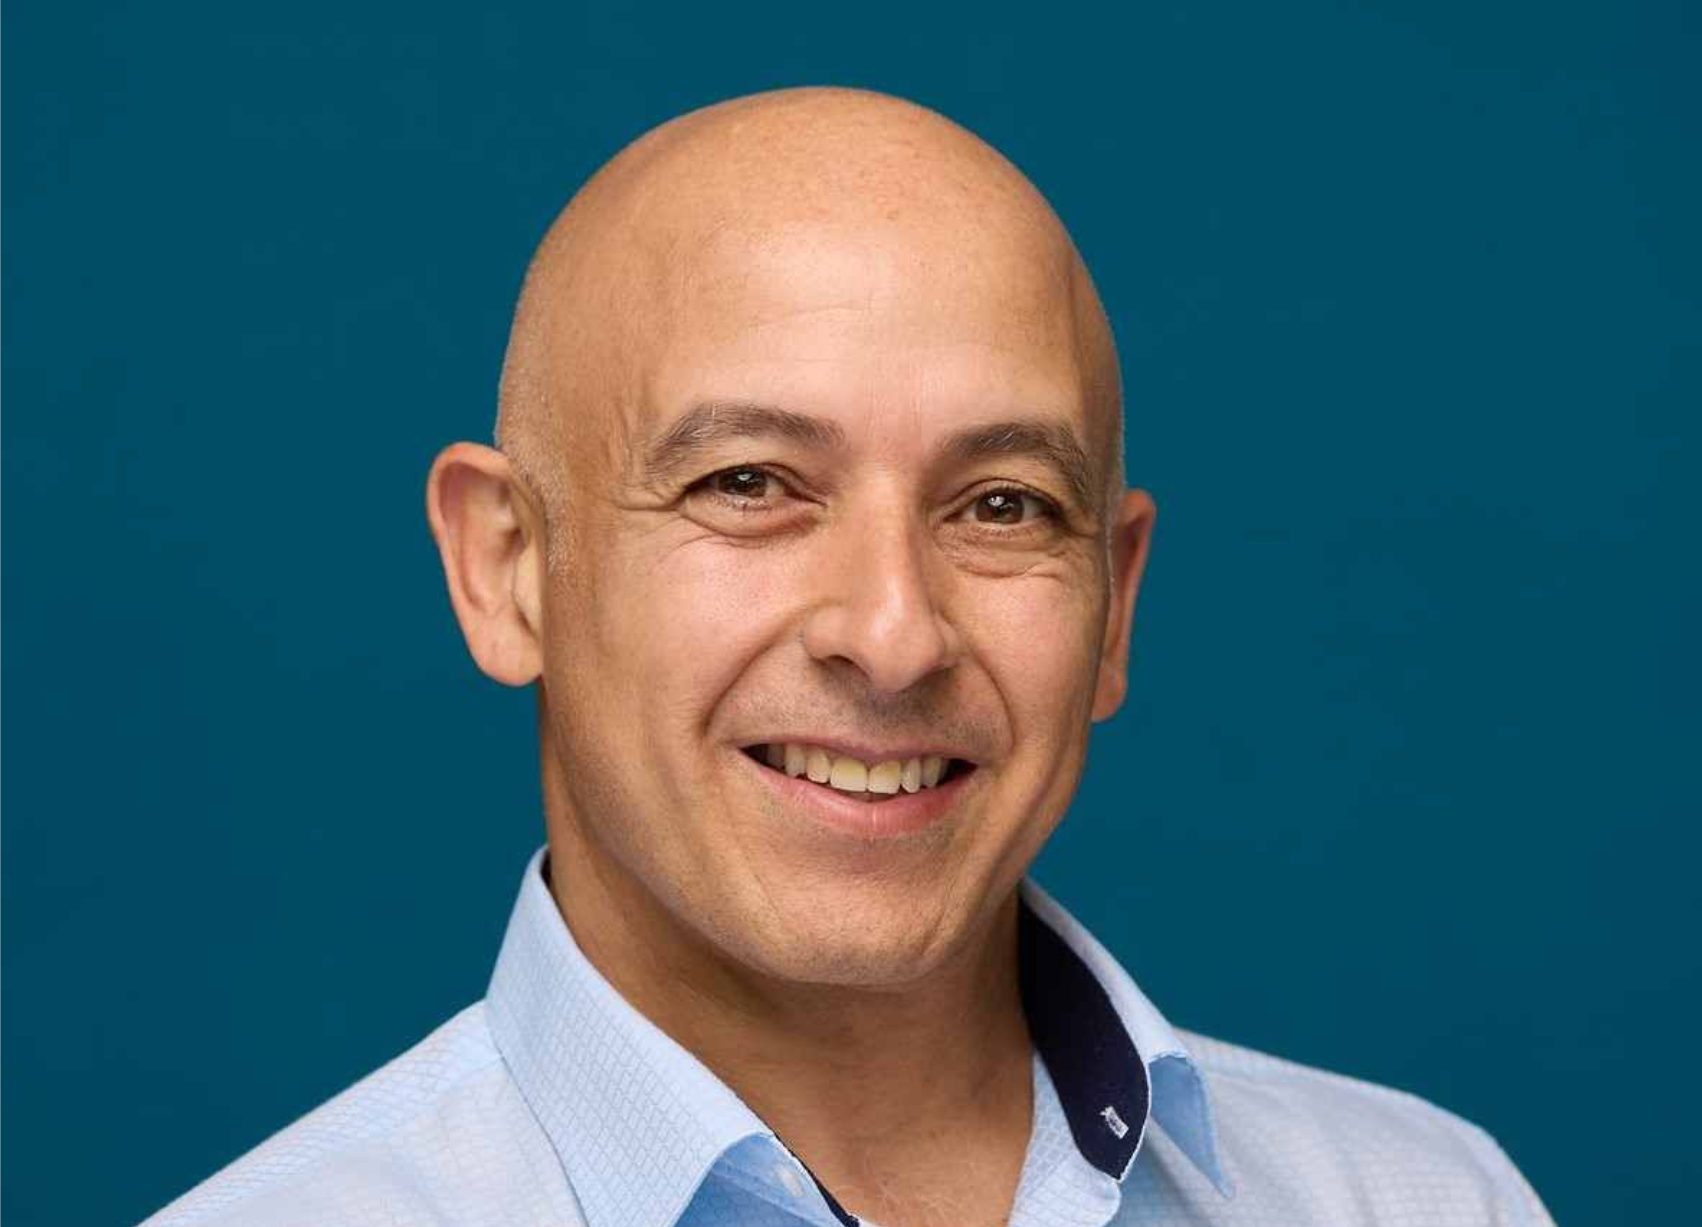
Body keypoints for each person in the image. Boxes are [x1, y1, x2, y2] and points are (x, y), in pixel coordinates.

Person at [140, 86, 1554, 1227]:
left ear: (1114, 606)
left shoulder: (1429, 1201)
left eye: (1001, 506)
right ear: (506, 567)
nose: (891, 635)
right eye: (749, 483)